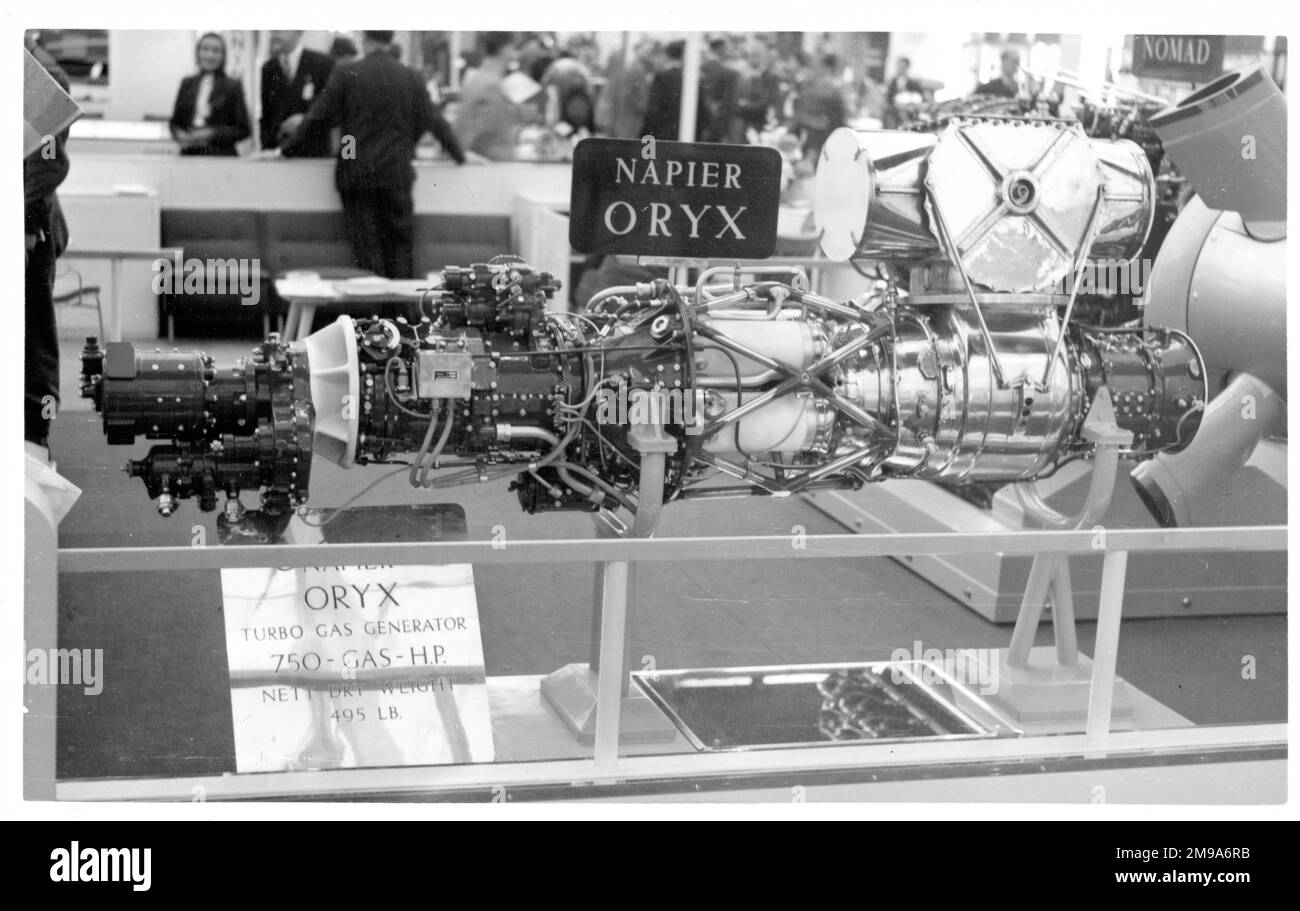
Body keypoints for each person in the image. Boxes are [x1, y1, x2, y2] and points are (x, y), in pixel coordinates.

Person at [281, 31, 466, 280]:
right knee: (400, 252)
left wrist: (285, 150)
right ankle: (401, 316)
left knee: (368, 256)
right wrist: (461, 156)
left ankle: (375, 316)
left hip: (357, 177)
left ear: (363, 38)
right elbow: (433, 121)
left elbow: (318, 118)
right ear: (392, 39)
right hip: (396, 174)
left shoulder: (346, 73)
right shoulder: (410, 76)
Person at [24, 33, 72, 451]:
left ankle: (36, 438)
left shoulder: (40, 72)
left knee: (33, 339)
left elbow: (46, 161)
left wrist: (24, 225)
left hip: (30, 228)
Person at [168, 33, 252, 156]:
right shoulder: (187, 83)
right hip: (189, 155)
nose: (210, 55)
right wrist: (180, 135)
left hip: (221, 156)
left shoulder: (233, 86)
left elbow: (244, 130)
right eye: (205, 49)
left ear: (223, 56)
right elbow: (175, 122)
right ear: (197, 53)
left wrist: (211, 133)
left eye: (216, 51)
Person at [260, 30, 334, 156]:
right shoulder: (268, 68)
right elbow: (266, 115)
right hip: (278, 155)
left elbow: (331, 109)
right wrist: (266, 149)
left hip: (313, 154)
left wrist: (305, 119)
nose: (275, 33)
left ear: (298, 32)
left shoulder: (322, 64)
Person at [456, 31, 523, 160]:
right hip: (493, 167)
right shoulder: (490, 85)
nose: (516, 55)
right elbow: (476, 133)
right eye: (514, 48)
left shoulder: (476, 79)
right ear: (505, 49)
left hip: (489, 166)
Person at [640, 40, 707, 141]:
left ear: (666, 55)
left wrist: (645, 134)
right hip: (690, 136)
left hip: (664, 135)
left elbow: (653, 110)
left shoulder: (662, 77)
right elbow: (703, 112)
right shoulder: (694, 78)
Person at [596, 38, 659, 139]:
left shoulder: (639, 69)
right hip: (629, 122)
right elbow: (634, 98)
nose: (650, 55)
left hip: (628, 121)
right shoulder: (634, 70)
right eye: (647, 51)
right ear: (637, 50)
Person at [793, 54, 847, 161]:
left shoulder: (823, 86)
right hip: (828, 136)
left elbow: (804, 109)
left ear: (825, 68)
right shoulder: (834, 87)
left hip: (816, 135)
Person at [699, 36, 742, 143]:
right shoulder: (729, 73)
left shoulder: (699, 69)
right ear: (721, 48)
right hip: (717, 125)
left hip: (697, 124)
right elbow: (729, 103)